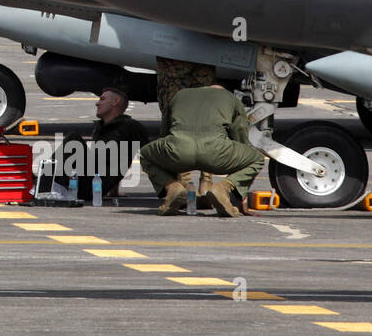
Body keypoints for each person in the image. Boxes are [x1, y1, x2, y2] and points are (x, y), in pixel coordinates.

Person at [139, 82, 267, 217]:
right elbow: (240, 136)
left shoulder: (180, 95)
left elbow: (164, 132)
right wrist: (241, 195)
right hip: (215, 154)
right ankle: (223, 188)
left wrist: (169, 159)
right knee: (256, 159)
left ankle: (171, 187)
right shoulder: (230, 98)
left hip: (178, 152)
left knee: (145, 155)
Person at [49, 87, 150, 202]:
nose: (97, 103)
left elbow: (148, 155)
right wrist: (114, 191)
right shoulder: (102, 127)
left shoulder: (131, 126)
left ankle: (45, 183)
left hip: (95, 186)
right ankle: (46, 182)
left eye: (102, 99)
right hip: (91, 181)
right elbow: (113, 161)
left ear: (115, 102)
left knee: (73, 140)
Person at [155, 56, 218, 204]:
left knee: (188, 120)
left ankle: (196, 181)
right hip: (192, 55)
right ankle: (195, 181)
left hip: (182, 54)